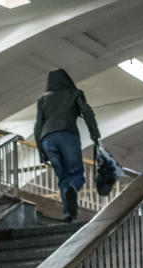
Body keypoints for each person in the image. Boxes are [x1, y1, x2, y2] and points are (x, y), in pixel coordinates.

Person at [34, 69, 101, 223]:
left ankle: (68, 213)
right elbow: (87, 112)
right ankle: (72, 190)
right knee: (76, 174)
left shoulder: (43, 99)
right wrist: (95, 134)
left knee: (62, 177)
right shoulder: (75, 94)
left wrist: (40, 151)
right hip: (67, 135)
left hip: (47, 139)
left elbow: (38, 125)